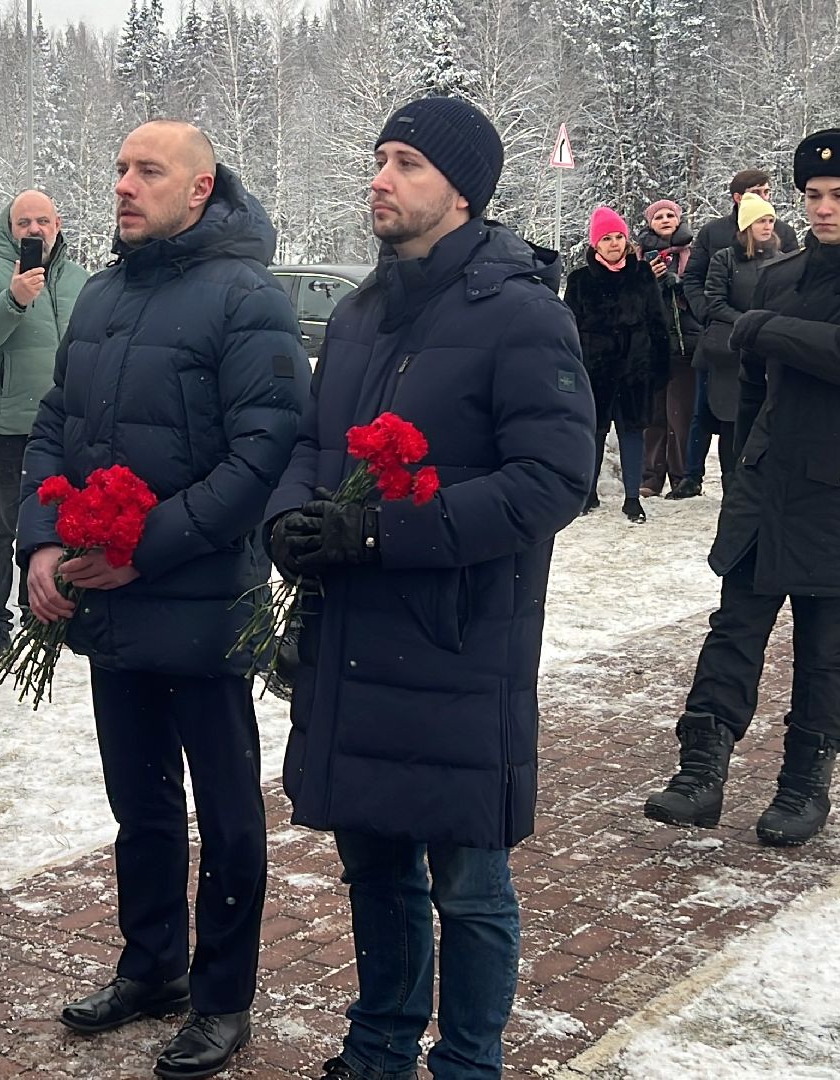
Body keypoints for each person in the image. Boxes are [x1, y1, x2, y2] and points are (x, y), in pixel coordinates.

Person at [264, 95, 592, 1080]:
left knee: (468, 880)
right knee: (373, 864)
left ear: (461, 189)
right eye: (378, 158)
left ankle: (468, 1062)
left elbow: (551, 480)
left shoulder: (523, 311)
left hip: (457, 639)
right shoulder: (363, 312)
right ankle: (380, 1045)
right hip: (353, 633)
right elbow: (312, 444)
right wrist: (289, 517)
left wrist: (382, 527)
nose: (380, 177)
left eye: (404, 162)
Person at [21, 120, 301, 1080]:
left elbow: (263, 454)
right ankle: (153, 966)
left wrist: (148, 547)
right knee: (138, 807)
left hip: (202, 604)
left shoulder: (246, 294)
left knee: (225, 816)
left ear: (200, 187)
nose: (125, 186)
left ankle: (222, 997)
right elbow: (57, 421)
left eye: (148, 171)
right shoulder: (101, 291)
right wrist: (42, 539)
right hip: (110, 604)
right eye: (119, 169)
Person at [642, 128, 840, 847]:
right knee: (734, 627)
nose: (825, 207)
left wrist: (768, 329)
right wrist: (746, 459)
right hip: (769, 482)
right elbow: (751, 389)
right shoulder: (779, 276)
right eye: (813, 195)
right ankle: (700, 770)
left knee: (824, 644)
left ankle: (804, 783)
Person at [0, 190, 85, 659]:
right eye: (23, 223)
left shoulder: (79, 280)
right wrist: (13, 298)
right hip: (5, 425)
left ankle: (43, 609)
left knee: (56, 522)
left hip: (63, 425)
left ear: (57, 225)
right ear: (8, 228)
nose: (34, 230)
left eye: (42, 221)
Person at [677, 169, 802, 497]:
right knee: (706, 413)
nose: (765, 197)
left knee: (757, 414)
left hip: (767, 344)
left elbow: (797, 288)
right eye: (758, 191)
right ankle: (693, 476)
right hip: (722, 344)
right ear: (738, 198)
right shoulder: (716, 237)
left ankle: (753, 480)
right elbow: (696, 280)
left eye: (768, 191)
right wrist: (710, 315)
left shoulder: (783, 238)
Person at [566, 206, 669, 522]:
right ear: (595, 244)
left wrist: (659, 367)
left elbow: (657, 322)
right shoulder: (580, 280)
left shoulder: (641, 276)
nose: (614, 244)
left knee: (632, 431)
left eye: (619, 237)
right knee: (593, 433)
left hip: (634, 369)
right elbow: (567, 326)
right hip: (593, 370)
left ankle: (632, 497)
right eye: (607, 238)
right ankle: (588, 493)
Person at [696, 192, 782, 471]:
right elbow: (715, 301)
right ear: (746, 226)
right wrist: (747, 322)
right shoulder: (726, 259)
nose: (767, 226)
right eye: (761, 221)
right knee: (733, 422)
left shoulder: (782, 261)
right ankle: (732, 485)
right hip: (732, 352)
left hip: (769, 348)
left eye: (770, 220)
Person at [639, 199, 702, 499]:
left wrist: (677, 284)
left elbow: (701, 296)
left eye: (670, 215)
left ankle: (681, 476)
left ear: (678, 220)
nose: (665, 220)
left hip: (684, 343)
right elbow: (632, 298)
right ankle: (651, 476)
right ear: (650, 223)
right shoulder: (639, 255)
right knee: (653, 415)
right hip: (651, 345)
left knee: (681, 413)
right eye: (658, 216)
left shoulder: (692, 253)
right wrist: (649, 280)